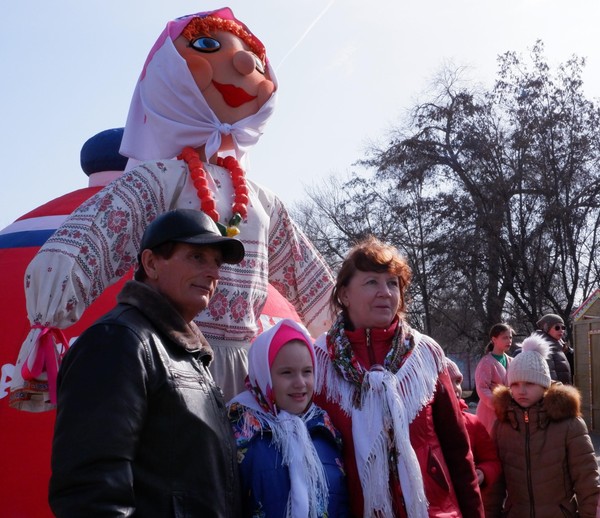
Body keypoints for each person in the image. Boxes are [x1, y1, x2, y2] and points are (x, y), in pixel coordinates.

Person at [12, 8, 334, 406]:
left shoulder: (264, 201)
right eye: (206, 45)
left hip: (249, 374)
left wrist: (351, 331)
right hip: (168, 356)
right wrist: (50, 314)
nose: (243, 63)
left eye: (253, 56)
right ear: (169, 75)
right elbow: (94, 237)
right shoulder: (162, 179)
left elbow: (313, 282)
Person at [48, 209, 244, 517]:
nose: (214, 273)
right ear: (151, 263)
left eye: (217, 262)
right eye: (197, 257)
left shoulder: (184, 352)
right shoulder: (116, 341)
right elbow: (89, 492)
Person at [313, 236, 483, 517]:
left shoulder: (425, 356)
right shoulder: (319, 363)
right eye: (371, 282)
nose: (386, 292)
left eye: (393, 283)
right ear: (344, 294)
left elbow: (458, 451)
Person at [228, 318, 349, 517]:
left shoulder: (325, 428)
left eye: (307, 372)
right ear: (264, 374)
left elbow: (341, 501)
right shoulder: (239, 429)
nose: (300, 383)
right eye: (287, 373)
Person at [492, 334, 600, 517]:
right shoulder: (503, 425)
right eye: (515, 384)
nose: (522, 390)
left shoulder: (569, 423)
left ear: (544, 385)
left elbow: (587, 479)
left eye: (530, 383)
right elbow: (495, 484)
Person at [446, 358, 503, 518]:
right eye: (448, 381)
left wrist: (483, 472)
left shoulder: (473, 423)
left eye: (458, 382)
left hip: (469, 506)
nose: (456, 388)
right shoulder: (422, 426)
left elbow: (492, 460)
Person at [474, 323, 514, 435]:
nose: (509, 340)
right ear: (494, 339)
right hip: (489, 412)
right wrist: (498, 404)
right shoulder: (486, 362)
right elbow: (482, 388)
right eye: (505, 337)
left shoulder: (512, 361)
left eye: (510, 337)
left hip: (509, 411)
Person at [530, 313, 572, 384]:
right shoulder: (544, 348)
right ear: (546, 328)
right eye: (557, 327)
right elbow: (551, 377)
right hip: (556, 392)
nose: (561, 330)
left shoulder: (560, 346)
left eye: (563, 327)